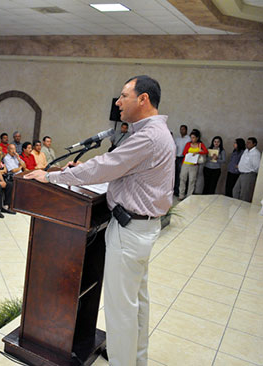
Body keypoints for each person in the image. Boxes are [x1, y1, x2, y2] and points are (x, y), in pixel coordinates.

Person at [25, 75, 175, 366]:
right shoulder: (156, 132)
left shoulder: (147, 135)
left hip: (130, 231)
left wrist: (52, 176)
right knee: (136, 305)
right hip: (142, 227)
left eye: (123, 96)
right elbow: (121, 169)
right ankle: (136, 360)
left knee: (120, 311)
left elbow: (107, 165)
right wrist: (85, 169)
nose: (118, 102)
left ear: (143, 99)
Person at [178, 129, 208, 200]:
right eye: (191, 137)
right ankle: (181, 195)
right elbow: (184, 153)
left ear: (197, 138)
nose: (192, 139)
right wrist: (190, 154)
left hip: (194, 165)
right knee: (182, 179)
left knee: (192, 180)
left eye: (193, 137)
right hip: (186, 163)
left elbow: (206, 151)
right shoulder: (188, 144)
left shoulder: (200, 145)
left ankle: (189, 196)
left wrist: (198, 152)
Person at [233, 137, 261, 202]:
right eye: (247, 142)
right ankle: (236, 205)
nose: (247, 144)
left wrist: (248, 170)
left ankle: (242, 209)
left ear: (254, 144)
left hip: (249, 175)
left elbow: (256, 167)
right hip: (242, 174)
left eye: (249, 143)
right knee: (235, 190)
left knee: (244, 194)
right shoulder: (246, 151)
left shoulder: (256, 153)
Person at [173, 124, 190, 196]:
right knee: (176, 174)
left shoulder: (188, 139)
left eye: (183, 129)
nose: (181, 130)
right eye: (181, 129)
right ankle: (176, 190)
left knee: (182, 175)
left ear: (186, 130)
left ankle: (182, 191)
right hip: (176, 157)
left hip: (184, 158)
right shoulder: (177, 139)